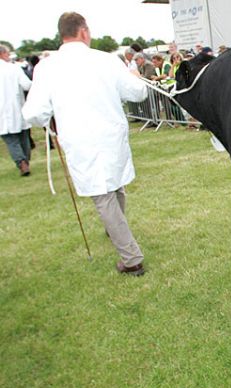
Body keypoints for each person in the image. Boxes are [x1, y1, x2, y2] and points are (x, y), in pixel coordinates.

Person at [22, 12, 149, 276]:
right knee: (112, 187)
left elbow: (33, 112)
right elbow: (137, 92)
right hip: (109, 135)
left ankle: (132, 258)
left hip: (81, 140)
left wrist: (48, 119)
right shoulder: (106, 60)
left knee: (106, 193)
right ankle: (115, 228)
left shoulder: (47, 67)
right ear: (83, 32)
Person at [0, 45, 32, 176]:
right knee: (23, 136)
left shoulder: (13, 67)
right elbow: (26, 85)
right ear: (2, 54)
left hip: (2, 111)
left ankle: (22, 162)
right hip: (17, 107)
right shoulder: (14, 68)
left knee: (11, 140)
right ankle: (25, 161)